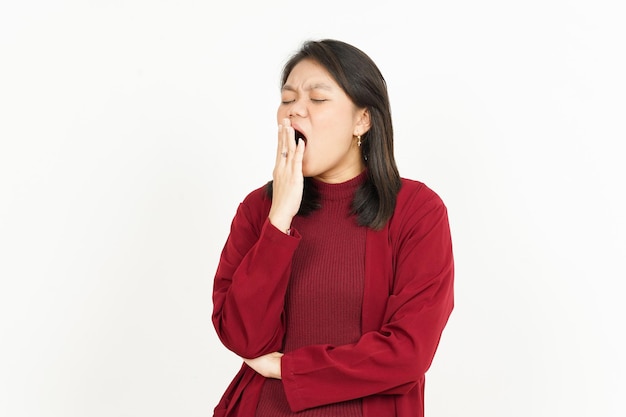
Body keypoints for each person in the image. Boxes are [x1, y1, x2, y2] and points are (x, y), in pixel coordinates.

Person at [211, 39, 454, 417]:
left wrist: (287, 369)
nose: (295, 111)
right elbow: (243, 337)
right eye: (288, 99)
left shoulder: (417, 212)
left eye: (317, 99)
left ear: (363, 120)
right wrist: (279, 220)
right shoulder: (259, 210)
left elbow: (408, 353)